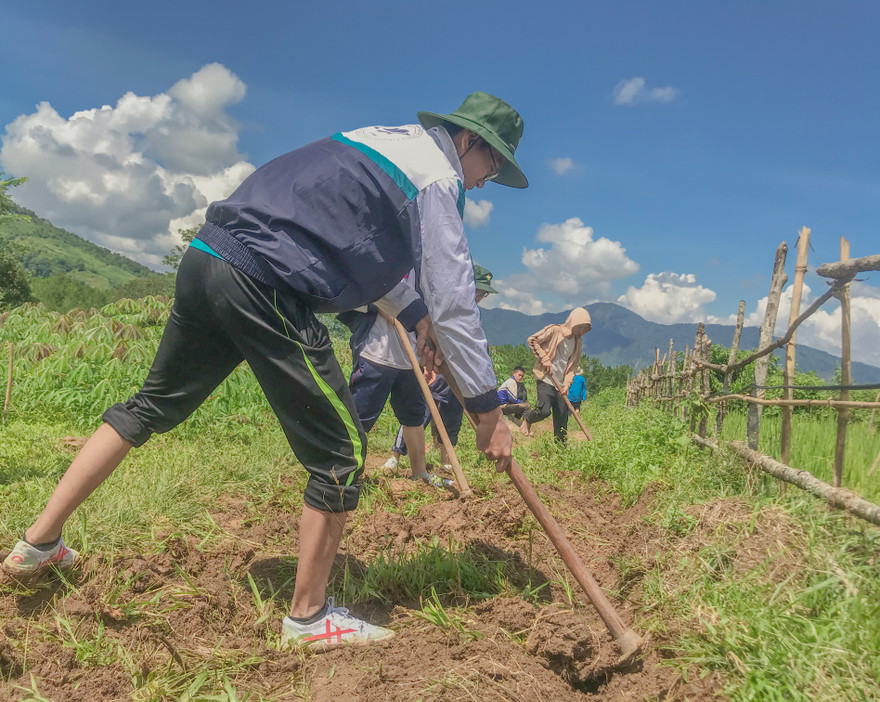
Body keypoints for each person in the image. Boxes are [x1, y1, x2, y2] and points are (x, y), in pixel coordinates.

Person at [2, 91, 526, 650]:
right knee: (343, 449)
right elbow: (456, 299)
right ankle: (309, 618)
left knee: (149, 405)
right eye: (491, 167)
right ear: (468, 141)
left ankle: (38, 543)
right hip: (267, 282)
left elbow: (349, 246)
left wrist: (417, 314)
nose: (484, 182)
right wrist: (486, 411)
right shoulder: (437, 179)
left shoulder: (378, 145)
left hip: (210, 256)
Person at [384, 264, 497, 480]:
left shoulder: (473, 314)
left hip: (456, 375)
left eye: (483, 294)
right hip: (435, 367)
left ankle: (446, 463)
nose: (480, 297)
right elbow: (425, 335)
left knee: (452, 419)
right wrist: (429, 366)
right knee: (420, 414)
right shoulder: (439, 304)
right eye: (478, 291)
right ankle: (396, 456)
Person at [520, 308, 591, 442]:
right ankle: (527, 418)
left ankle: (561, 451)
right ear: (572, 322)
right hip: (546, 378)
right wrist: (544, 358)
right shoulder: (554, 331)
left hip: (561, 383)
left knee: (562, 419)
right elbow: (533, 340)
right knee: (544, 411)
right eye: (579, 326)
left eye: (584, 328)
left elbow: (573, 366)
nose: (581, 330)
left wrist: (567, 384)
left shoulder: (577, 342)